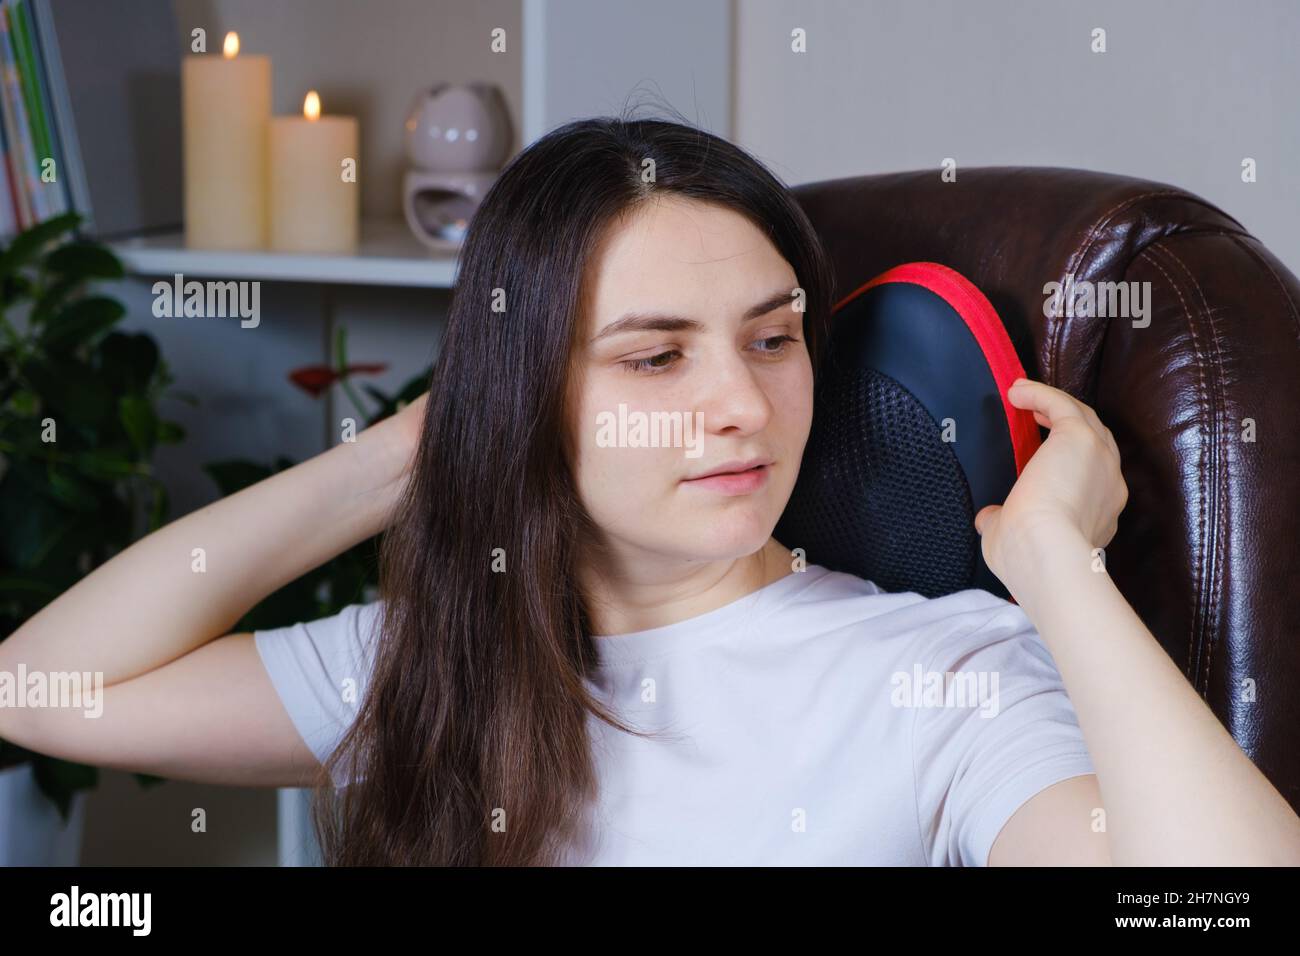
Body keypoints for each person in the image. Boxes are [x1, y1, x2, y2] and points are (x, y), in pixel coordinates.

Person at [3, 114, 1299, 867]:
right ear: (527, 391)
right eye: (655, 354)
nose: (740, 402)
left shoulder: (940, 676)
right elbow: (41, 691)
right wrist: (398, 458)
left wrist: (1060, 573)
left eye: (773, 336)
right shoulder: (437, 664)